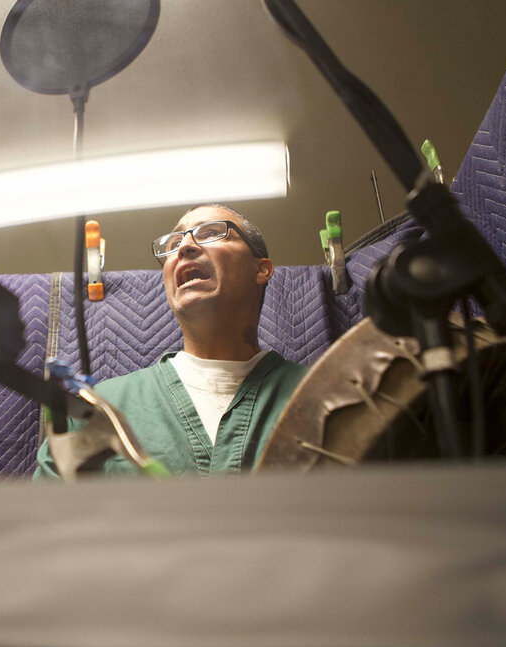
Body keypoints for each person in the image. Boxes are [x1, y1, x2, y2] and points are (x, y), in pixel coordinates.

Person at [34, 204, 307, 478]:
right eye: (175, 242)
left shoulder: (322, 396)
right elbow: (44, 515)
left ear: (262, 269)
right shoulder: (95, 411)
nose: (185, 246)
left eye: (211, 233)